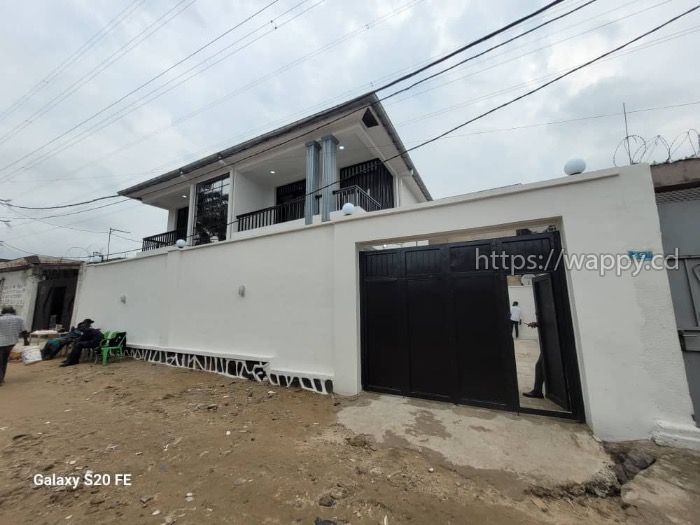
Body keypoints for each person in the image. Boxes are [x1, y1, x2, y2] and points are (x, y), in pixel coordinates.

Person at [0, 306, 28, 385]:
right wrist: (26, 341)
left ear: (3, 312)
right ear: (13, 311)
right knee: (4, 361)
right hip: (11, 343)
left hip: (1, 343)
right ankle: (1, 378)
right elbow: (24, 331)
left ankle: (0, 380)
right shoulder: (19, 319)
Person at [522, 321, 545, 399]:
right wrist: (537, 324)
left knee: (540, 366)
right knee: (539, 365)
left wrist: (537, 324)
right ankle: (537, 390)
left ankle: (537, 391)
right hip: (550, 342)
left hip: (552, 342)